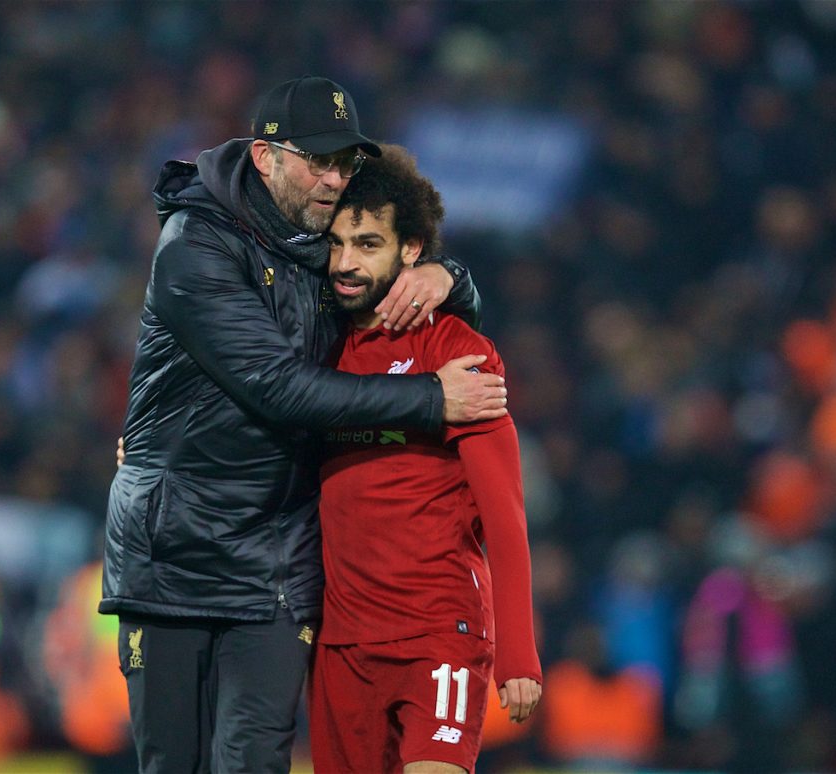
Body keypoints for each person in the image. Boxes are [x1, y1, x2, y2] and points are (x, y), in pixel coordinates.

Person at [100, 75, 507, 773]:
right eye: (318, 161)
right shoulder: (195, 245)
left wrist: (452, 279)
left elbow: (388, 266)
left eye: (345, 163)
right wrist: (429, 400)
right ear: (265, 157)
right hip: (176, 558)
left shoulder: (322, 243)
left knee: (256, 762)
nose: (334, 179)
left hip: (279, 567)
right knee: (175, 764)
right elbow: (276, 386)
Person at [309, 144, 543, 773]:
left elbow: (506, 514)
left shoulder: (458, 350)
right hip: (342, 644)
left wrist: (519, 652)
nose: (345, 263)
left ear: (410, 251)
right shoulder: (315, 350)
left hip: (439, 631)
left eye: (367, 244)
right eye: (336, 244)